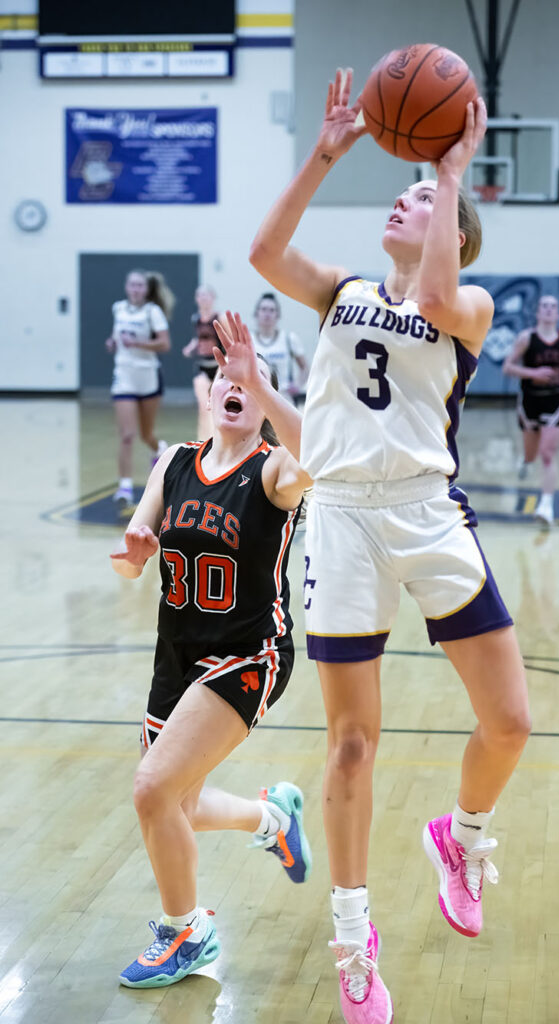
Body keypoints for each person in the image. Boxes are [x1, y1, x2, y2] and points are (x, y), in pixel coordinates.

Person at [249, 68, 531, 1024]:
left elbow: (442, 293)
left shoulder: (474, 306)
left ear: (452, 228)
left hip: (424, 508)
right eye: (405, 187)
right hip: (340, 520)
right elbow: (264, 250)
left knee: (510, 723)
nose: (405, 193)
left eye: (422, 195)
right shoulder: (339, 291)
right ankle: (353, 935)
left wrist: (450, 170)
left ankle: (462, 835)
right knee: (353, 744)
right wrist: (325, 154)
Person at [110, 312, 313, 988]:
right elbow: (133, 556)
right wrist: (136, 553)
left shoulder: (274, 472)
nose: (235, 386)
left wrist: (262, 376)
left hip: (249, 652)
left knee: (150, 790)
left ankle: (187, 933)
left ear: (263, 403)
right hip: (177, 655)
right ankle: (272, 818)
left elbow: (319, 453)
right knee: (180, 804)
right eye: (225, 378)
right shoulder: (173, 463)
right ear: (207, 395)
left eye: (249, 383)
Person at [503, 295, 559, 526]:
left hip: (556, 400)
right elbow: (507, 367)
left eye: (553, 306)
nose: (549, 310)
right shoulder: (526, 338)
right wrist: (534, 374)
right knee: (531, 454)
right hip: (530, 400)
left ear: (558, 314)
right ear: (538, 313)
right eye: (544, 306)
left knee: (548, 453)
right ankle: (526, 462)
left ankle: (546, 506)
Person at [106, 269, 174, 504]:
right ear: (127, 287)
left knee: (146, 434)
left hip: (148, 377)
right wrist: (113, 342)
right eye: (132, 285)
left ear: (146, 289)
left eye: (140, 285)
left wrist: (137, 343)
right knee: (127, 434)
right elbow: (116, 336)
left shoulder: (152, 312)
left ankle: (158, 448)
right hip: (123, 375)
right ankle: (124, 487)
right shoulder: (118, 308)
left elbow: (165, 344)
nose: (135, 289)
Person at [182, 285, 224, 441]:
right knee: (203, 406)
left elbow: (227, 339)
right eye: (199, 295)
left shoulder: (219, 318)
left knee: (217, 406)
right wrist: (190, 347)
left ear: (212, 298)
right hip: (202, 366)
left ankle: (217, 439)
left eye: (206, 295)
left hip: (218, 367)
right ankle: (202, 441)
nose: (203, 299)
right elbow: (198, 338)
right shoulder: (195, 318)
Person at [252, 291, 308, 403]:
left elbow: (305, 368)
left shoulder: (289, 339)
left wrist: (297, 386)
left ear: (278, 315)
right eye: (263, 309)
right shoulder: (248, 339)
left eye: (272, 310)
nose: (267, 314)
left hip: (283, 398)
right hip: (256, 399)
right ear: (257, 313)